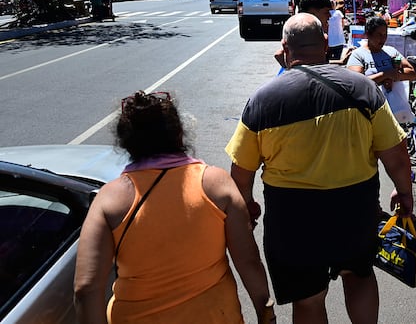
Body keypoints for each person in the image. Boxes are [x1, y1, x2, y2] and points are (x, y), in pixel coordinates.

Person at [226, 13, 413, 323]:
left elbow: (241, 171)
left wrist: (247, 205)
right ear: (326, 43)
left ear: (285, 47)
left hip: (293, 215)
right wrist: (404, 192)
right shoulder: (362, 88)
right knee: (359, 275)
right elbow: (395, 152)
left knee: (309, 298)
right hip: (355, 205)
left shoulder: (263, 100)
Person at [74, 91, 273, 324]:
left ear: (126, 143)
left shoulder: (110, 199)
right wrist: (266, 315)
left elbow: (86, 289)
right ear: (179, 134)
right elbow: (248, 261)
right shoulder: (215, 185)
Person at [347, 16, 416, 90]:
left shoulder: (391, 51)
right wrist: (384, 75)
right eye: (379, 35)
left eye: (385, 35)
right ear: (368, 35)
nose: (383, 39)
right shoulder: (358, 55)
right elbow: (357, 83)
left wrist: (395, 76)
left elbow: (412, 74)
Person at [274, 0, 333, 69]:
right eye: (326, 12)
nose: (330, 15)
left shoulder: (319, 28)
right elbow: (279, 54)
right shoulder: (302, 29)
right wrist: (292, 71)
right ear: (312, 12)